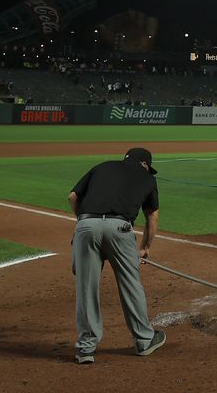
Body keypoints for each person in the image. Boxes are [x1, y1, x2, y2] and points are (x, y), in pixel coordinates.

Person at [66, 147, 166, 364]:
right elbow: (153, 217)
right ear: (145, 164)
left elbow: (73, 197)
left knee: (86, 286)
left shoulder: (102, 166)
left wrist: (84, 223)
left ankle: (85, 348)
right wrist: (145, 247)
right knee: (130, 284)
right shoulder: (147, 178)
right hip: (120, 229)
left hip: (86, 225)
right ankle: (144, 340)